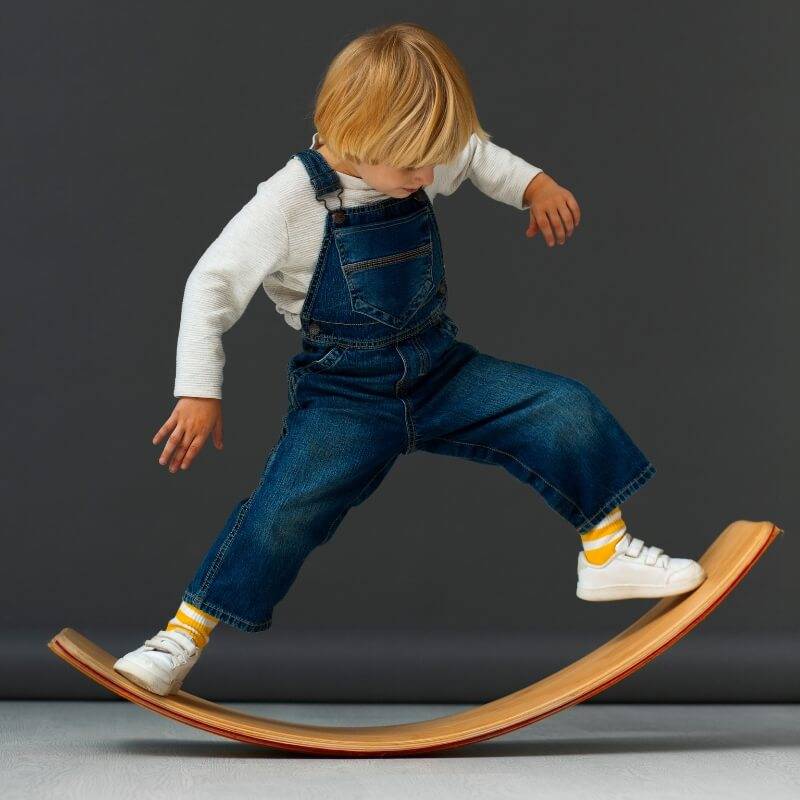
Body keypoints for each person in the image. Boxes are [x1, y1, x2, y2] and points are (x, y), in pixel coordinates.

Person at [113, 22, 706, 697]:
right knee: (282, 512)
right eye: (414, 168)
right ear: (357, 136)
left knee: (563, 408)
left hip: (441, 372)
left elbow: (478, 157)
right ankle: (183, 634)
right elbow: (211, 283)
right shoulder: (289, 202)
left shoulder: (411, 152)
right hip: (347, 396)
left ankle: (605, 554)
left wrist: (535, 185)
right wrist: (199, 389)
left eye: (434, 160)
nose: (429, 178)